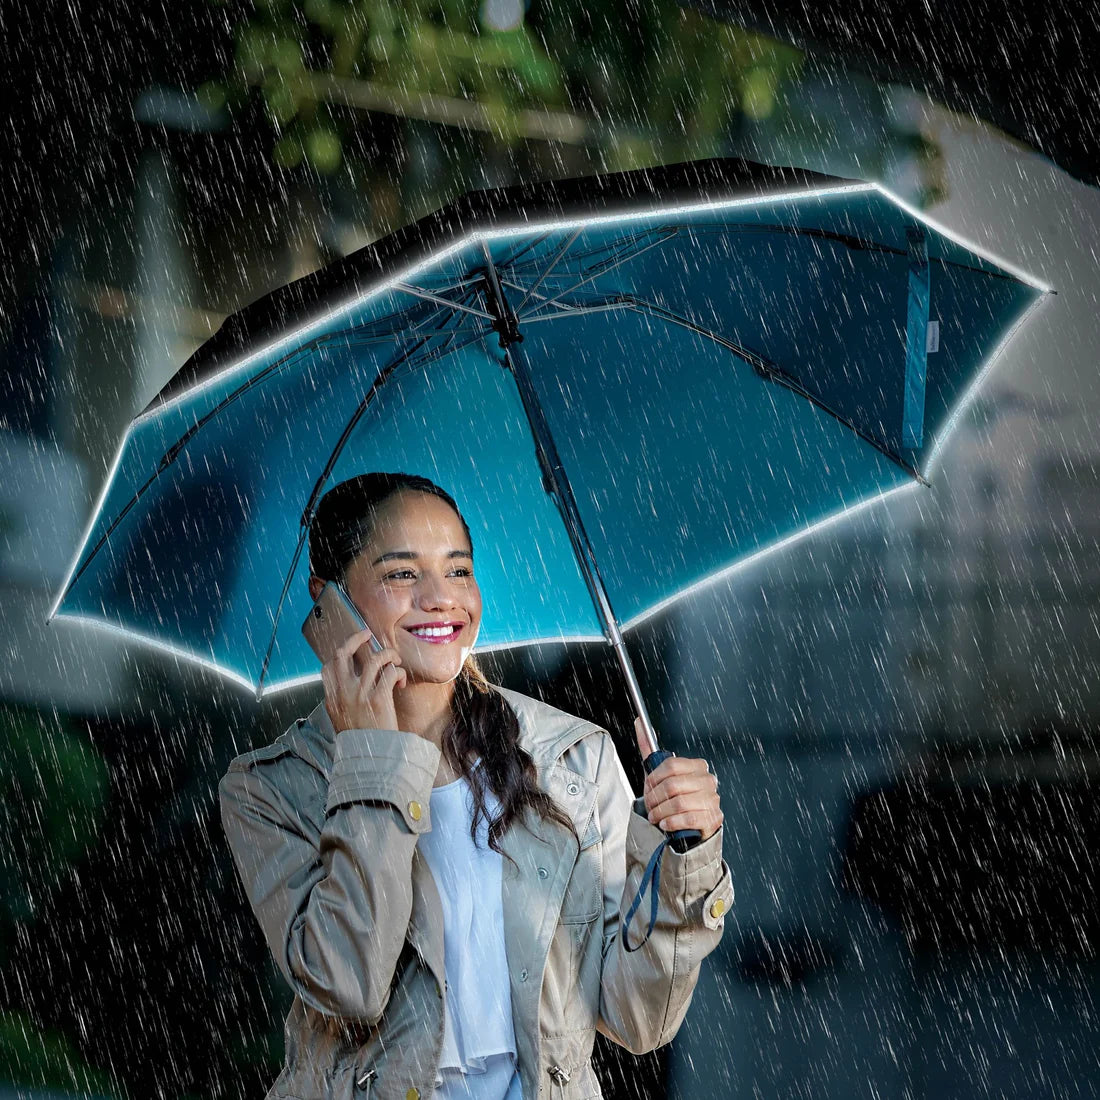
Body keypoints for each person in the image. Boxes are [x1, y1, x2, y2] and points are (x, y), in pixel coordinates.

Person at [219, 472, 733, 1100]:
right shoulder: (268, 790)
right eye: (402, 574)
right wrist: (374, 760)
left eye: (458, 570)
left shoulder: (572, 758)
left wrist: (685, 865)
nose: (441, 599)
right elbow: (349, 986)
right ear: (327, 602)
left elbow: (637, 1020)